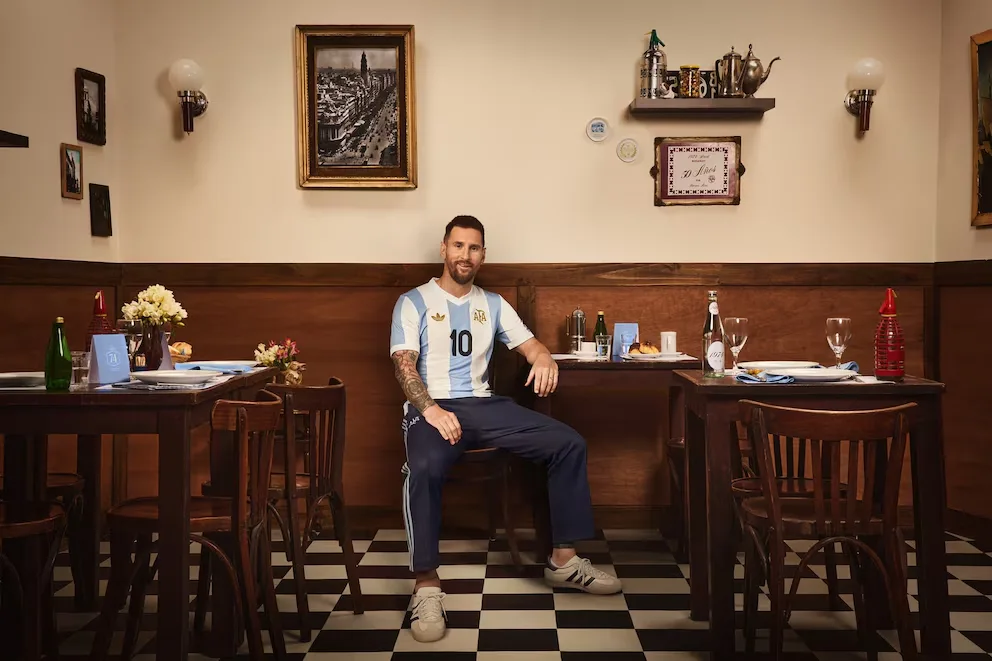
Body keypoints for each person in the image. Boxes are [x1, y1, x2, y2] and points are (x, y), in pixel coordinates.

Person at [389, 215, 621, 643]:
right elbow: (404, 366)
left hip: (484, 405)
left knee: (567, 442)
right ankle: (426, 584)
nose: (465, 255)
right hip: (434, 406)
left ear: (482, 255)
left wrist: (544, 358)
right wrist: (431, 409)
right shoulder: (413, 302)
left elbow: (529, 345)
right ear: (443, 249)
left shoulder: (491, 303)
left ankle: (564, 561)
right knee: (422, 467)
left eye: (474, 248)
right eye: (458, 246)